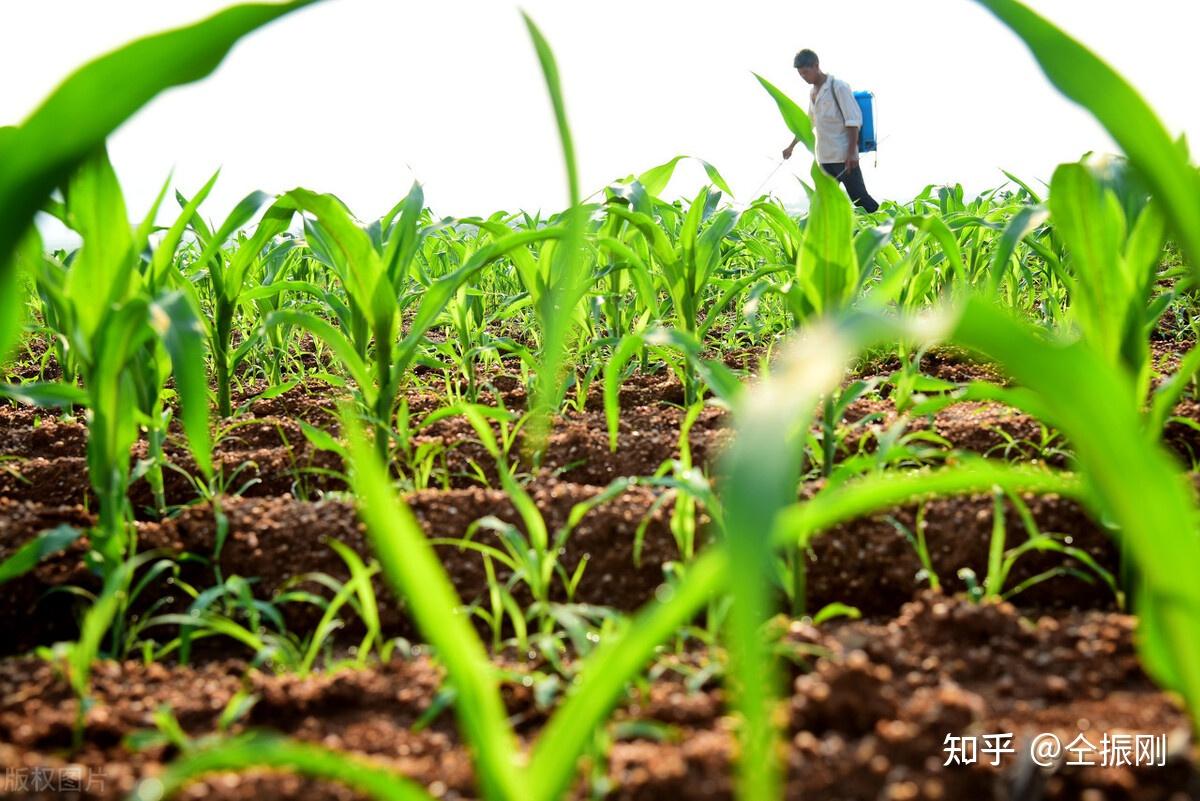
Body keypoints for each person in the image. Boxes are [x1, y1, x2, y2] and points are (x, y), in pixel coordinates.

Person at [781, 49, 879, 212]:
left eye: (806, 72)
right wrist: (791, 146)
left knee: (859, 198)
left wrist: (851, 153)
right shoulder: (813, 92)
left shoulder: (838, 87)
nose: (804, 77)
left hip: (844, 157)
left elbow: (853, 121)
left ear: (816, 66)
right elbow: (808, 123)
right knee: (822, 203)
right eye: (800, 74)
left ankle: (888, 225)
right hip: (825, 159)